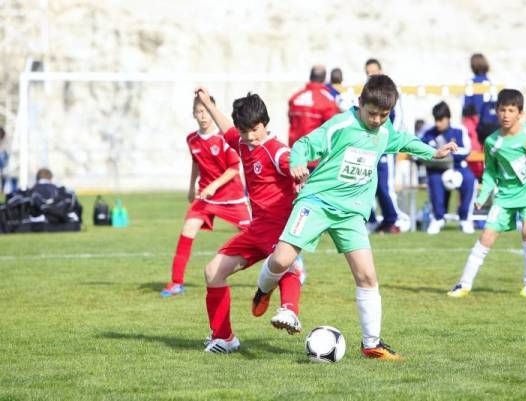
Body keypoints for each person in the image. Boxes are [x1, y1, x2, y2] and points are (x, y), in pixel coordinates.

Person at [252, 75, 457, 361]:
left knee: (367, 276)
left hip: (350, 213)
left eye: (383, 115)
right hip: (318, 201)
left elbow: (405, 141)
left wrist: (433, 151)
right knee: (282, 260)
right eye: (372, 113)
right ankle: (263, 290)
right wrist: (298, 163)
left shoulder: (384, 132)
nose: (376, 120)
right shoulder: (341, 125)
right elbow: (303, 145)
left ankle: (371, 344)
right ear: (360, 104)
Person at [194, 87, 304, 353]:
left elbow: (293, 162)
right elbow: (227, 129)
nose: (250, 137)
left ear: (265, 124)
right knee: (212, 272)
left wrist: (301, 174)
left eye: (255, 129)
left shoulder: (276, 151)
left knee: (287, 264)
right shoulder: (242, 142)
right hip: (255, 231)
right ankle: (225, 338)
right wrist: (208, 103)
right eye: (245, 131)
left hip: (279, 231)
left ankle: (289, 310)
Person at [447, 89, 526, 298]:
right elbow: (490, 171)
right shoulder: (492, 142)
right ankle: (464, 284)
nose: (506, 115)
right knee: (486, 237)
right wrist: (482, 197)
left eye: (511, 110)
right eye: (502, 110)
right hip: (505, 197)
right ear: (497, 111)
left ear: (520, 113)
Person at [160, 94, 251, 297]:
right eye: (199, 112)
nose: (203, 116)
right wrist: (192, 187)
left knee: (256, 235)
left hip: (232, 196)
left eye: (206, 111)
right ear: (193, 114)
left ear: (213, 112)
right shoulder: (192, 139)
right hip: (206, 198)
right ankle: (176, 283)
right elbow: (196, 162)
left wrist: (214, 186)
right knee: (188, 228)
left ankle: (291, 265)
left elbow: (234, 169)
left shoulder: (224, 139)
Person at [363, 58, 409, 233]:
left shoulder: (392, 92)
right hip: (369, 146)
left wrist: (389, 140)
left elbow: (399, 118)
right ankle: (373, 219)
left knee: (384, 185)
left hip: (386, 146)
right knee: (368, 183)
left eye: (374, 71)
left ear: (381, 70)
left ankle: (394, 219)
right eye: (368, 73)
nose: (371, 75)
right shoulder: (368, 93)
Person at [420, 101, 476, 235]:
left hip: (458, 167)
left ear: (448, 118)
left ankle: (465, 219)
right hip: (437, 169)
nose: (438, 123)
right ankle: (438, 218)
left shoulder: (459, 130)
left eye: (441, 120)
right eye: (436, 120)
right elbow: (421, 149)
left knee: (470, 179)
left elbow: (467, 150)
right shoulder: (428, 133)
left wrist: (449, 154)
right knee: (434, 180)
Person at [288, 64, 339, 150]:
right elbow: (333, 127)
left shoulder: (295, 97)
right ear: (324, 79)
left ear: (310, 77)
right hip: (315, 155)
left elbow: (291, 120)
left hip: (295, 153)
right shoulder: (328, 100)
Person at [463, 53, 499, 145]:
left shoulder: (470, 83)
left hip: (475, 122)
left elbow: (467, 105)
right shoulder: (490, 82)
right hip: (490, 121)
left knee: (476, 148)